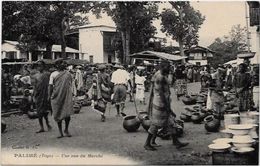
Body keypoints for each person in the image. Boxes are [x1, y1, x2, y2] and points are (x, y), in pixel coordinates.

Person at [144, 61, 189, 151]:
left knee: (170, 122)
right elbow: (161, 94)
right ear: (163, 67)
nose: (170, 68)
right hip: (160, 103)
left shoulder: (159, 73)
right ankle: (147, 143)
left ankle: (175, 141)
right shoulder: (160, 77)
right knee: (156, 124)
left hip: (160, 102)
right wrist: (167, 107)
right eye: (168, 67)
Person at [49, 59, 73, 138]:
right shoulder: (53, 74)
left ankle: (66, 129)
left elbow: (71, 84)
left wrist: (72, 94)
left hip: (66, 95)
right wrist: (49, 96)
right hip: (56, 96)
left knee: (67, 113)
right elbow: (50, 86)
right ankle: (60, 132)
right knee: (57, 113)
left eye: (64, 62)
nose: (64, 64)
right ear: (57, 65)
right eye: (62, 63)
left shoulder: (68, 74)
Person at [33, 61, 52, 133]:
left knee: (45, 111)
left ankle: (47, 124)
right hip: (38, 95)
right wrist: (34, 95)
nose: (39, 67)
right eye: (38, 66)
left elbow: (50, 85)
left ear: (44, 66)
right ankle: (41, 127)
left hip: (45, 95)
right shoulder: (36, 76)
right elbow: (35, 86)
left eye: (40, 65)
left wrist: (49, 95)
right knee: (39, 112)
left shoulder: (47, 74)